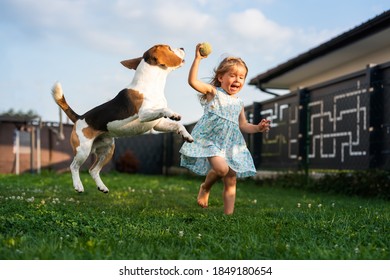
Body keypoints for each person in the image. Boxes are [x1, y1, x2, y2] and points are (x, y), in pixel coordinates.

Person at [180, 43, 270, 215]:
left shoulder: (239, 103)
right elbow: (192, 81)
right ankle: (205, 187)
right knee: (221, 169)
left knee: (231, 179)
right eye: (233, 75)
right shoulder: (213, 93)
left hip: (231, 145)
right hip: (210, 141)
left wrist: (258, 128)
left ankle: (228, 216)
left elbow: (243, 125)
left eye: (241, 77)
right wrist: (198, 59)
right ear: (221, 77)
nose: (237, 80)